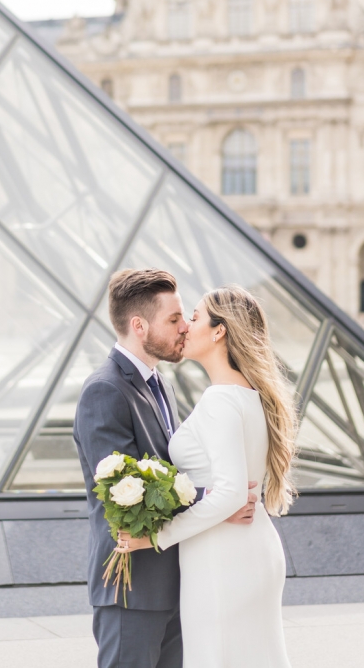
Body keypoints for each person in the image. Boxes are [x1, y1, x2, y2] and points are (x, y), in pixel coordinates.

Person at [73, 269, 258, 668]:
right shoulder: (104, 390)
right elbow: (122, 497)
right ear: (139, 326)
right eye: (174, 319)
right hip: (132, 583)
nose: (184, 328)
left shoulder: (162, 386)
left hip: (175, 578)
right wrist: (217, 501)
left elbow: (171, 476)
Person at [119, 285, 297, 668]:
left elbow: (231, 493)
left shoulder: (220, 400)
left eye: (195, 317)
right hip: (247, 548)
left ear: (219, 331)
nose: (185, 326)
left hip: (223, 558)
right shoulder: (248, 394)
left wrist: (153, 536)